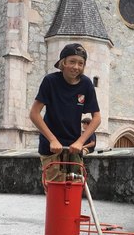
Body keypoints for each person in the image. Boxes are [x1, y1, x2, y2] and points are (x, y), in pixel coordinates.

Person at [29, 43, 101, 183]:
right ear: (63, 63)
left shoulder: (86, 84)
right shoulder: (50, 81)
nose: (76, 67)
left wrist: (80, 141)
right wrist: (52, 140)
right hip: (51, 147)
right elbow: (34, 113)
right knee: (55, 191)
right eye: (72, 62)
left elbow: (97, 118)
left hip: (74, 146)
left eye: (80, 63)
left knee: (73, 191)